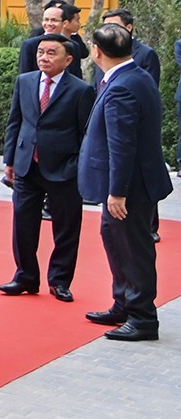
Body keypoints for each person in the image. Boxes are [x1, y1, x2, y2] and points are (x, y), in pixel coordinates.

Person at [80, 23, 172, 341]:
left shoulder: (121, 85)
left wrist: (117, 192)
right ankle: (124, 303)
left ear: (97, 51)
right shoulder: (136, 76)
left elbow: (122, 144)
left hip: (130, 186)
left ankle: (143, 317)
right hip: (134, 182)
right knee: (115, 240)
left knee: (134, 249)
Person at [0, 34, 94, 304]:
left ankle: (60, 280)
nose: (44, 57)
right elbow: (15, 122)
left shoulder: (81, 90)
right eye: (41, 52)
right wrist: (10, 160)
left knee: (66, 228)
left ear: (68, 59)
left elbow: (87, 133)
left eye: (52, 53)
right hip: (28, 164)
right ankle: (25, 275)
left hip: (64, 168)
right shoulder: (25, 81)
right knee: (23, 224)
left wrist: (77, 166)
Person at [19, 0, 89, 82]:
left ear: (64, 23)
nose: (49, 24)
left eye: (54, 20)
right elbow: (24, 77)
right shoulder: (30, 45)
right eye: (46, 20)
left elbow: (77, 77)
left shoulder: (73, 46)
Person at [100, 8, 162, 80]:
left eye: (113, 26)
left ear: (129, 27)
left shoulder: (146, 54)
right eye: (105, 27)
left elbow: (149, 88)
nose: (108, 31)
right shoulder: (101, 53)